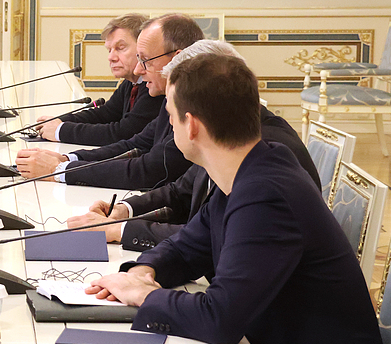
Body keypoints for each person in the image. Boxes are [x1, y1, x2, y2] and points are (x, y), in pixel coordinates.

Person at [86, 54, 391, 344]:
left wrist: (144, 295)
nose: (168, 123)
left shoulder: (266, 193)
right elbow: (188, 247)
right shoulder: (251, 167)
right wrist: (144, 270)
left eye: (170, 115)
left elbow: (220, 318)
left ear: (192, 125)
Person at [65, 40, 322, 249]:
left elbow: (212, 244)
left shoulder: (258, 157)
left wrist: (119, 231)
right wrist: (124, 212)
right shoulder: (225, 138)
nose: (171, 122)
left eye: (173, 114)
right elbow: (182, 194)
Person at [16, 13, 203, 189]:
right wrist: (67, 159)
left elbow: (147, 169)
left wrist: (58, 170)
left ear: (176, 60)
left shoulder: (190, 106)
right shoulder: (166, 96)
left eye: (145, 60)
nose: (138, 69)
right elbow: (133, 144)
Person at [37, 13, 162, 146]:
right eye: (109, 50)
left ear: (142, 49)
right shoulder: (131, 83)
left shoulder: (155, 87)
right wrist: (59, 121)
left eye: (120, 48)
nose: (111, 57)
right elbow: (105, 114)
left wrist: (61, 131)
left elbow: (122, 133)